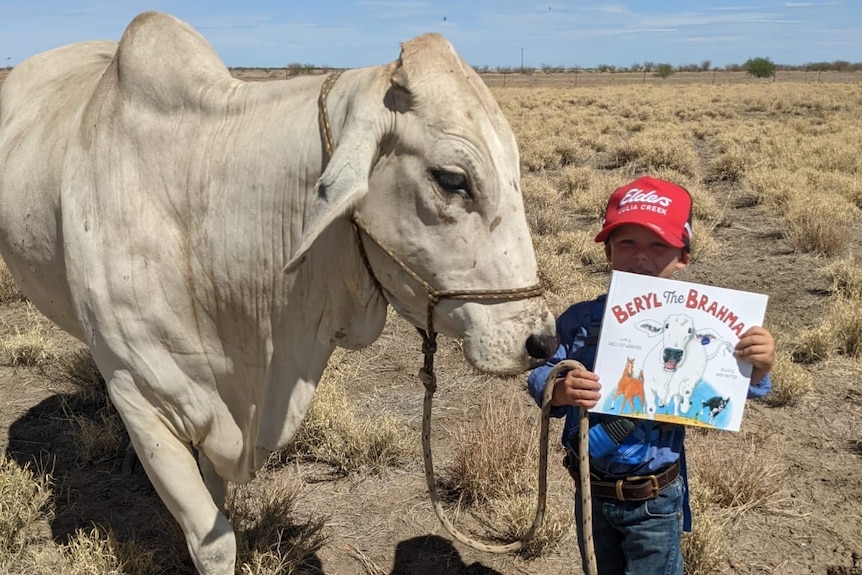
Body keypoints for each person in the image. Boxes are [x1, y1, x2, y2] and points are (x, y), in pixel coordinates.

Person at [527, 175, 775, 575]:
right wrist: (558, 389)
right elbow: (539, 374)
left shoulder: (707, 322)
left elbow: (728, 390)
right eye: (627, 243)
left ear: (683, 256)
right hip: (589, 491)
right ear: (607, 250)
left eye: (658, 245)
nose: (640, 256)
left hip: (655, 500)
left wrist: (757, 364)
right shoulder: (580, 321)